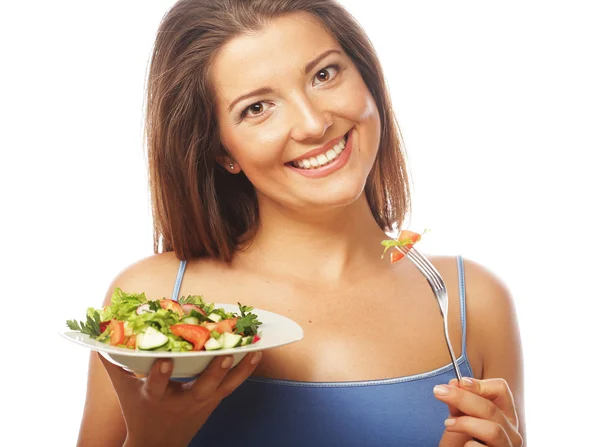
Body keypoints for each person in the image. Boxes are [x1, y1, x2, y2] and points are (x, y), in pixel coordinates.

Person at [77, 1, 525, 446]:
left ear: (368, 78)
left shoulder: (471, 305)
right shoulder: (152, 305)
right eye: (257, 108)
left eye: (324, 75)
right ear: (222, 151)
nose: (313, 124)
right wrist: (153, 441)